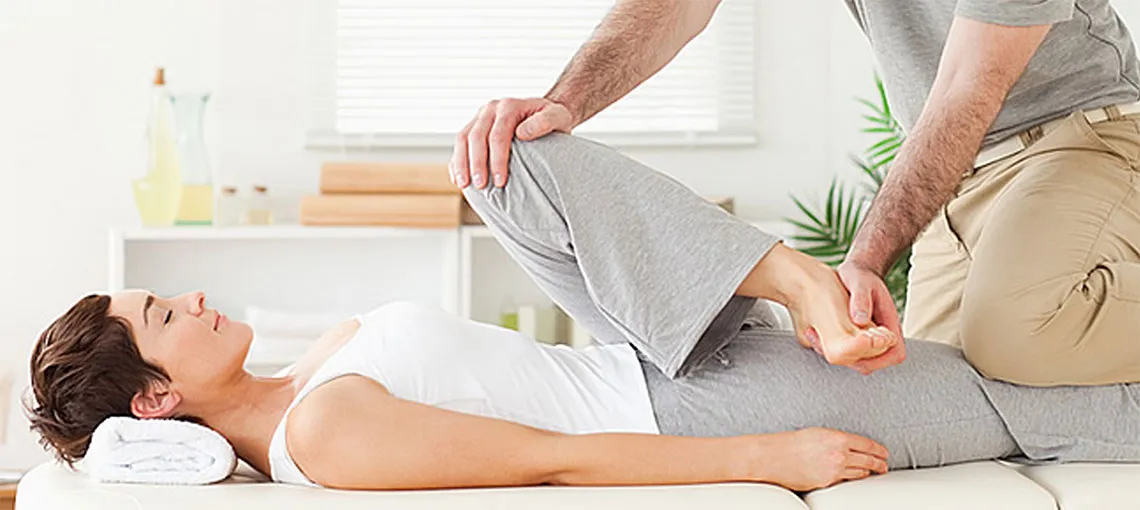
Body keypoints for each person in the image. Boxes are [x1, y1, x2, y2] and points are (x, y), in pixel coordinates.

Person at [29, 134, 1140, 492]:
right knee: (1013, 394)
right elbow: (546, 460)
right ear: (158, 394)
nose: (198, 300)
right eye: (170, 313)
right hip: (690, 411)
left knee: (505, 160)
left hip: (659, 349)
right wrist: (775, 453)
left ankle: (793, 279)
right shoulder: (320, 432)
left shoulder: (303, 375)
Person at [449, 0, 1140, 386]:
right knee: (937, 388)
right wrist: (564, 102)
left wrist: (866, 258)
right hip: (963, 179)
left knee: (1017, 339)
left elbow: (970, 86)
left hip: (1080, 137)